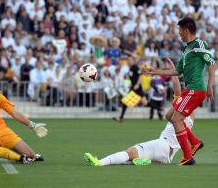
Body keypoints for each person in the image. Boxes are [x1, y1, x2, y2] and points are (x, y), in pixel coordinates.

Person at [84, 60, 199, 166]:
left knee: (129, 152)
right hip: (169, 154)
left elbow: (177, 90)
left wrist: (173, 70)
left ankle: (100, 162)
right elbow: (179, 91)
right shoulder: (190, 113)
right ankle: (144, 161)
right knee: (133, 156)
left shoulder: (182, 106)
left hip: (163, 145)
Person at [143, 17, 216, 165]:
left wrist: (209, 85)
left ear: (187, 30)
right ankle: (194, 142)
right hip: (189, 90)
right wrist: (153, 71)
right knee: (170, 116)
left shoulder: (199, 44)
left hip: (196, 89)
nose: (179, 34)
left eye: (180, 31)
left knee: (177, 120)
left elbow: (211, 63)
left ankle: (188, 156)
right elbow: (177, 71)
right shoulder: (187, 49)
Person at [113, 56, 148, 123]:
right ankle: (159, 109)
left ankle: (121, 118)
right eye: (128, 60)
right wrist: (129, 82)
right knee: (145, 103)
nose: (129, 61)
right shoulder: (131, 68)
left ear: (134, 61)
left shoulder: (135, 67)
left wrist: (137, 84)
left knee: (126, 102)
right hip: (133, 88)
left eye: (130, 60)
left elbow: (140, 76)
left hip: (137, 88)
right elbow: (132, 78)